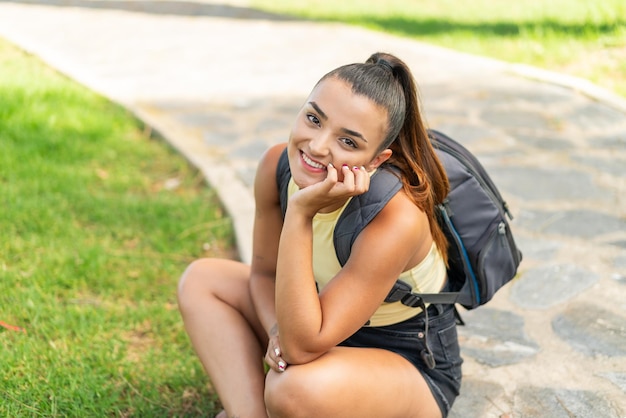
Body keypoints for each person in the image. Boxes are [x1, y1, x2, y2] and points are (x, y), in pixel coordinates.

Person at [177, 52, 463, 418]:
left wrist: (300, 212)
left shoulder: (395, 217)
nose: (317, 146)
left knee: (293, 389)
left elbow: (302, 349)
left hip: (404, 357)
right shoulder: (276, 165)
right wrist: (277, 332)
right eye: (314, 119)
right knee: (203, 280)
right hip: (319, 322)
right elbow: (264, 275)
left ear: (376, 160)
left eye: (348, 142)